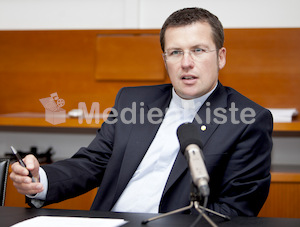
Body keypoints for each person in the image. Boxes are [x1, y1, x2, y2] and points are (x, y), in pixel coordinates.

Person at [10, 7, 273, 217]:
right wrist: (40, 179)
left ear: (221, 57)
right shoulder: (132, 100)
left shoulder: (248, 120)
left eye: (198, 50)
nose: (186, 63)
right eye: (175, 52)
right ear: (164, 60)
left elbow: (235, 211)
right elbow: (95, 162)